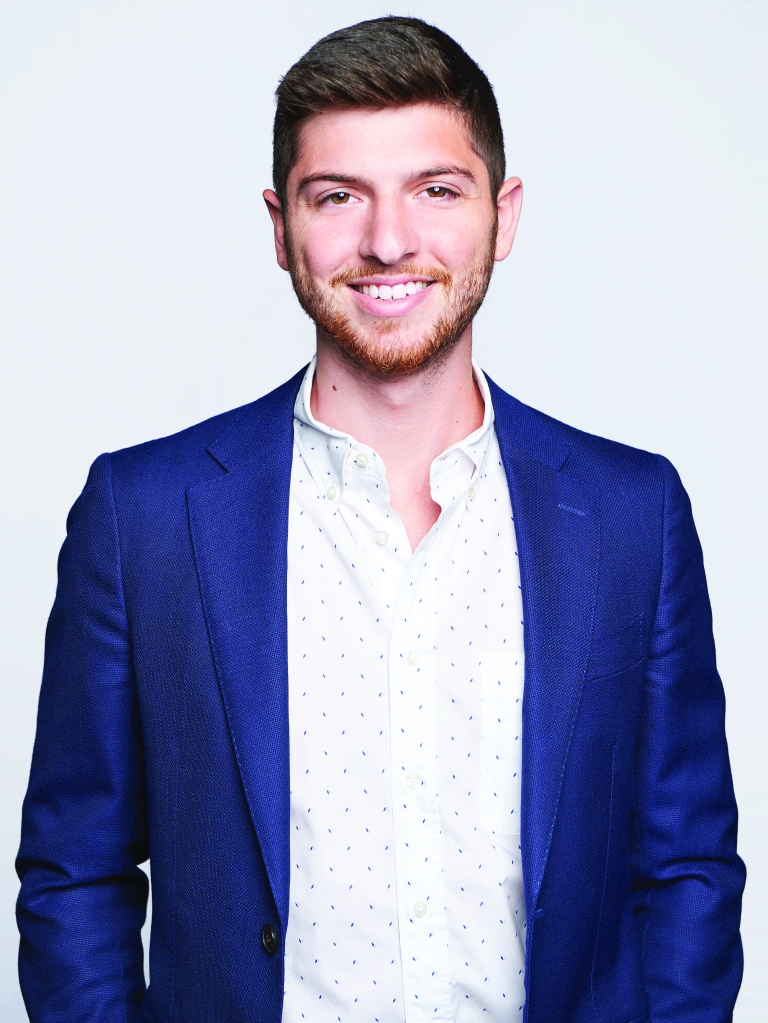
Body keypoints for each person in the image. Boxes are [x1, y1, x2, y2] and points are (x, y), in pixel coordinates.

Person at [16, 16, 745, 1023]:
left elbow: (687, 867)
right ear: (281, 228)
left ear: (503, 214)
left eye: (436, 190)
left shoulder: (632, 515)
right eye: (338, 196)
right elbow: (74, 872)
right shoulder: (142, 518)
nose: (389, 240)